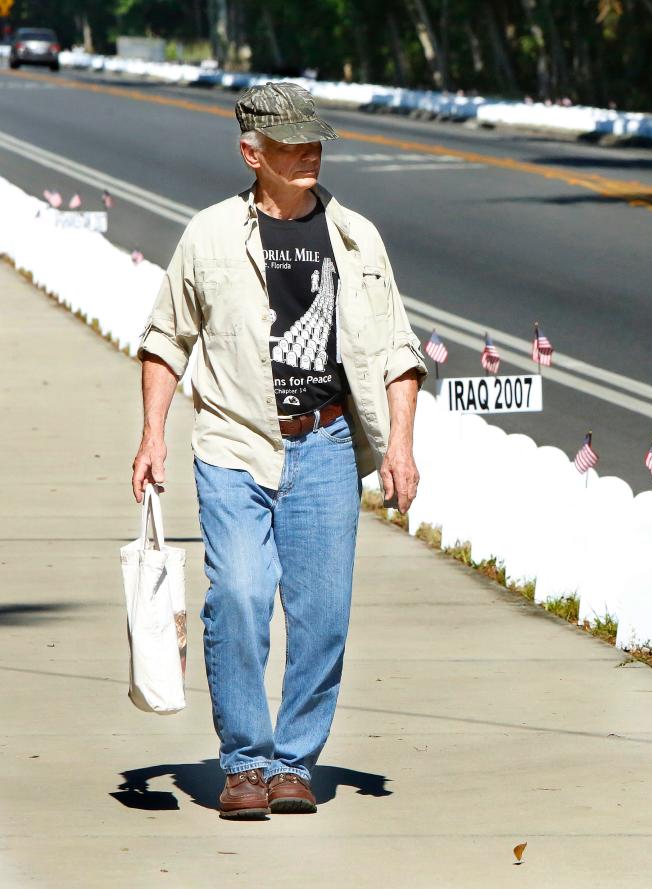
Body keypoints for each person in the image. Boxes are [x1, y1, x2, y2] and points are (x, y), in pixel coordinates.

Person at [130, 82, 426, 818]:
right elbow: (167, 338)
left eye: (314, 140)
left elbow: (397, 348)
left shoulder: (355, 236)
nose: (309, 153)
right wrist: (151, 435)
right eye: (290, 144)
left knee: (323, 614)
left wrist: (402, 447)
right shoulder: (208, 236)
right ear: (250, 153)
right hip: (233, 441)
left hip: (325, 443)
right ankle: (245, 764)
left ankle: (294, 763)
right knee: (239, 597)